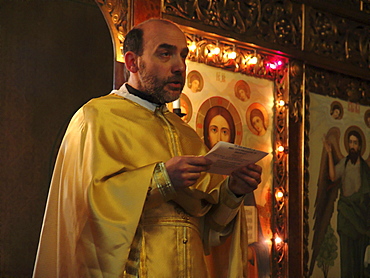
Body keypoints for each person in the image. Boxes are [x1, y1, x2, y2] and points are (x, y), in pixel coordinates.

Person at [33, 18, 262, 277]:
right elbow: (83, 213)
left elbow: (208, 231)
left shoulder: (187, 135)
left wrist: (233, 192)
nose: (179, 67)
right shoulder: (96, 118)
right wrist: (163, 179)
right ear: (132, 62)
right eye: (165, 54)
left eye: (183, 56)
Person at [315, 129, 370, 277]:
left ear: (360, 146)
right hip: (346, 214)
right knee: (347, 256)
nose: (352, 146)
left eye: (355, 143)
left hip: (360, 215)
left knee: (359, 256)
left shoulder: (365, 167)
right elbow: (332, 177)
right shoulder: (344, 163)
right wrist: (328, 152)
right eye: (350, 142)